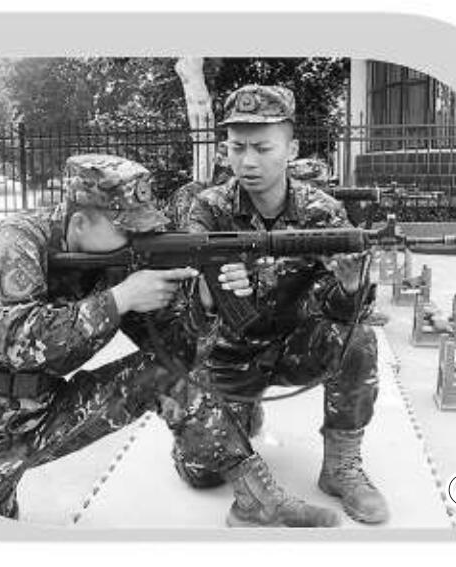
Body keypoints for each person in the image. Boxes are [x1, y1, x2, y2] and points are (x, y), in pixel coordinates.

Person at [0, 153, 339, 528]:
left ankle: (258, 500)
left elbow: (178, 354)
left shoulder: (116, 263)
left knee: (172, 376)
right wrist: (120, 299)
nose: (137, 240)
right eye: (125, 229)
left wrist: (206, 302)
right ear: (80, 222)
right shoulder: (18, 238)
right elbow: (18, 341)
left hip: (48, 414)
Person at [171, 85, 390, 524]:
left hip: (294, 347)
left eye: (262, 148)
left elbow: (340, 312)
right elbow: (182, 314)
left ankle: (341, 466)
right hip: (227, 357)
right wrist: (209, 291)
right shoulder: (207, 210)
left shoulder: (322, 213)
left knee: (358, 340)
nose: (248, 162)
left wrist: (350, 288)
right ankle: (243, 410)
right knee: (201, 474)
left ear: (291, 150)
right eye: (237, 148)